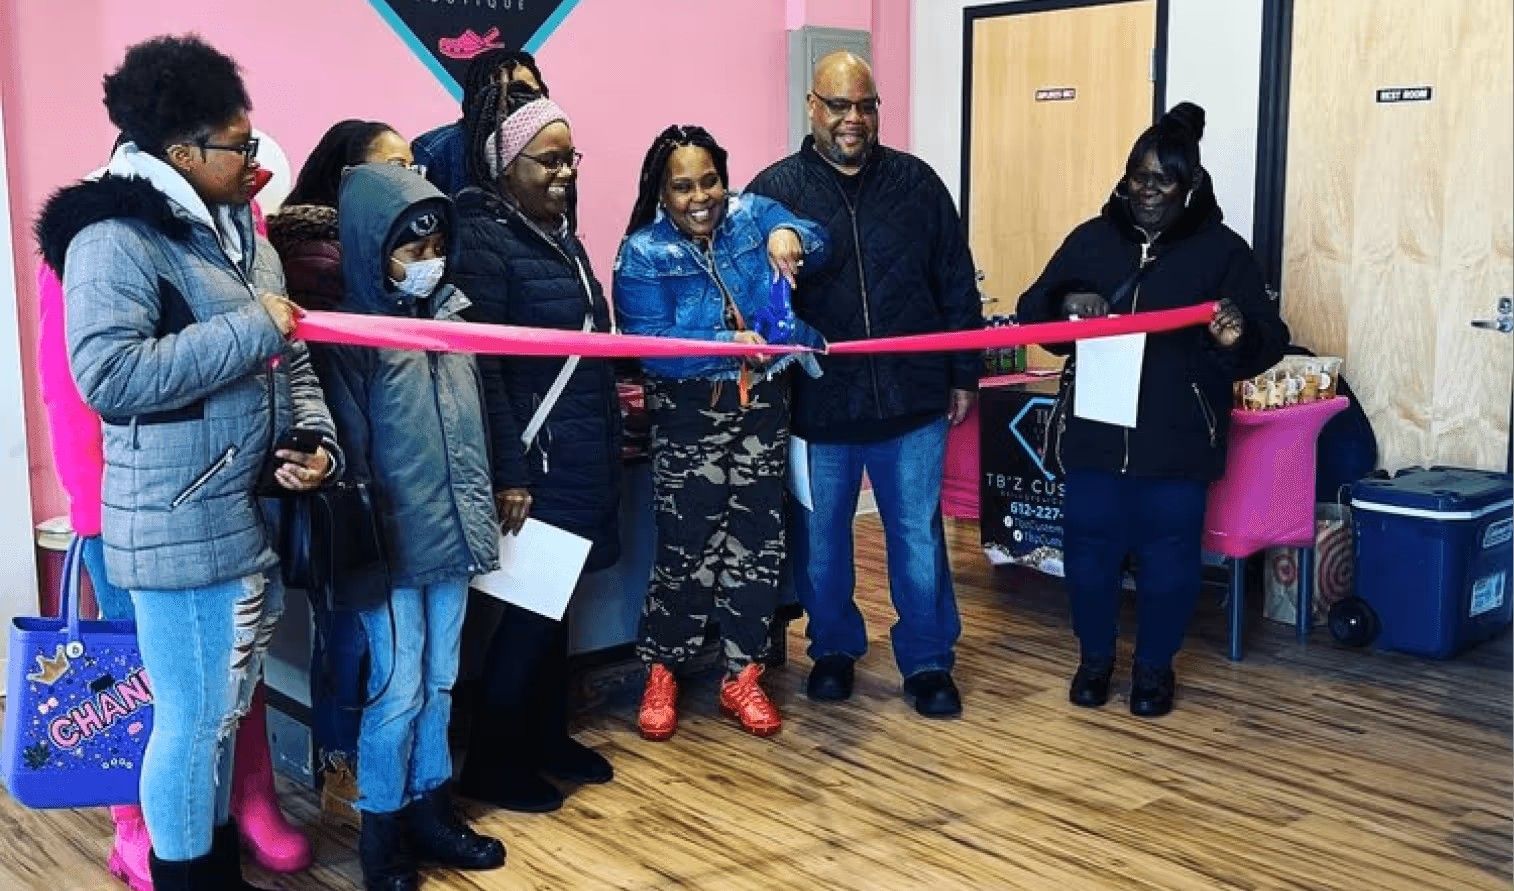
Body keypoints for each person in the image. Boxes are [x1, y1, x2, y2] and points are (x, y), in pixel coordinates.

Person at [37, 36, 338, 888]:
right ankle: (186, 876)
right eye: (238, 144)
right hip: (176, 520)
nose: (253, 158)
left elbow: (296, 356)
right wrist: (252, 327)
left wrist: (315, 442)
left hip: (246, 514)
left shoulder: (240, 229)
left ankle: (208, 865)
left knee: (218, 715)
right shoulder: (113, 237)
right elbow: (111, 374)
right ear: (181, 152)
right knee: (190, 719)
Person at [1015, 102, 1289, 717]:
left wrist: (1234, 335)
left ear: (1190, 188)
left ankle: (1153, 669)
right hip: (1096, 437)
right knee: (1088, 557)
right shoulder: (1091, 239)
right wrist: (1067, 304)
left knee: (1169, 565)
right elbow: (1036, 314)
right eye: (1137, 175)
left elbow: (1269, 339)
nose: (1147, 189)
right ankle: (1093, 661)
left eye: (1163, 179)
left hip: (1177, 441)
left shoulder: (1223, 252)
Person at [745, 51, 982, 718]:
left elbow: (955, 282)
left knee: (917, 539)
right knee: (821, 545)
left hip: (913, 403)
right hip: (820, 407)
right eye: (840, 105)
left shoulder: (918, 185)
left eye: (866, 105)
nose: (854, 119)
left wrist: (964, 372)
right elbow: (755, 304)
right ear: (811, 107)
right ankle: (833, 649)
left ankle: (930, 659)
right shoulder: (770, 195)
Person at [312, 163, 506, 891]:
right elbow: (350, 455)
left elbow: (475, 424)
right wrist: (371, 553)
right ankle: (382, 831)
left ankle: (432, 806)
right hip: (389, 552)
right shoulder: (352, 337)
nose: (428, 262)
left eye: (435, 245)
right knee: (397, 688)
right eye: (409, 247)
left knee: (441, 679)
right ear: (371, 247)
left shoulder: (454, 317)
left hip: (451, 540)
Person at [614, 125, 829, 741]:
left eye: (709, 180)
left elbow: (818, 236)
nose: (699, 196)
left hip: (763, 412)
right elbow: (651, 351)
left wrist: (791, 234)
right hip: (689, 418)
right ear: (662, 192)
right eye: (683, 186)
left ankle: (743, 675)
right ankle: (663, 669)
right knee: (686, 551)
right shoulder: (643, 254)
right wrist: (725, 344)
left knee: (757, 547)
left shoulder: (751, 216)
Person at [451, 94, 620, 812]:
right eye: (547, 161)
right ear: (504, 165)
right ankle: (492, 761)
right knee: (523, 623)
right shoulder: (486, 239)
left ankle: (545, 738)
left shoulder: (561, 235)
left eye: (569, 159)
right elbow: (482, 362)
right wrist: (508, 470)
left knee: (554, 615)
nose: (563, 173)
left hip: (580, 456)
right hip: (535, 465)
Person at [266, 119, 416, 810]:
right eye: (393, 166)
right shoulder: (319, 262)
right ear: (349, 178)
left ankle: (360, 756)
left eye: (413, 163)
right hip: (344, 471)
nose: (409, 178)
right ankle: (340, 760)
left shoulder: (386, 248)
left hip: (376, 465)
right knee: (351, 628)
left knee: (365, 627)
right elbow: (328, 377)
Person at [412, 48, 547, 197]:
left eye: (532, 93)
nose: (525, 102)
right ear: (480, 97)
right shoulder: (434, 152)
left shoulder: (552, 146)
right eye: (512, 93)